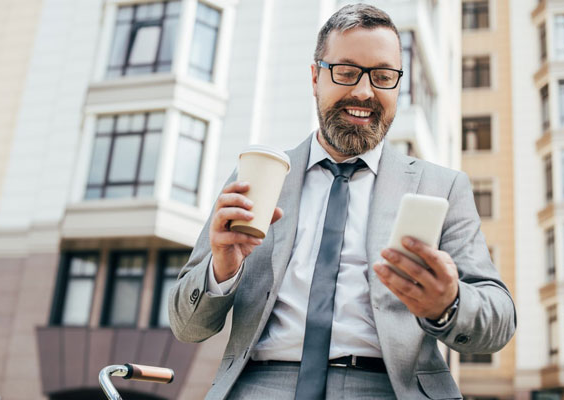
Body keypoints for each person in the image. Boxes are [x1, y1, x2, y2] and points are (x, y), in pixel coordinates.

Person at [168, 4, 516, 400]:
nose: (365, 92)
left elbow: (498, 322)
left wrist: (449, 304)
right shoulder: (256, 177)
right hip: (261, 385)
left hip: (389, 387)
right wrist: (221, 268)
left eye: (383, 77)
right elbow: (187, 327)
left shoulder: (443, 187)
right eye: (347, 73)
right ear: (315, 77)